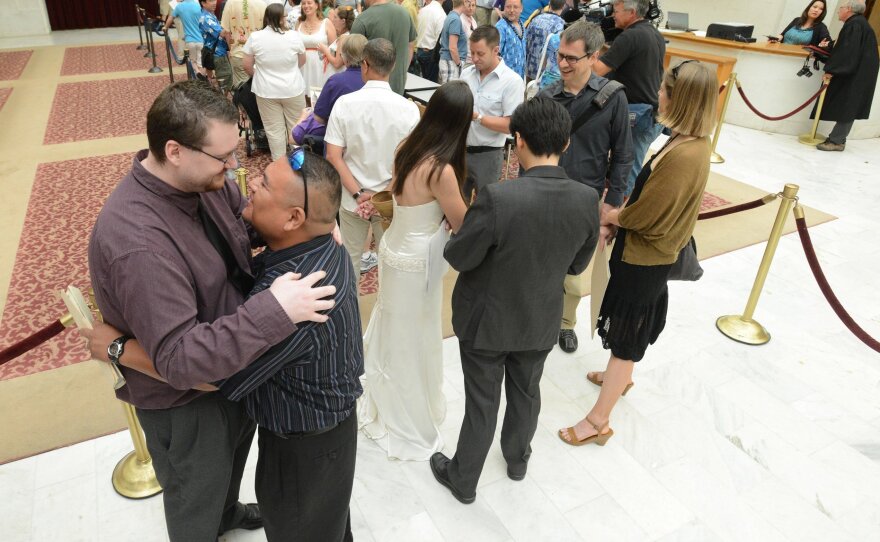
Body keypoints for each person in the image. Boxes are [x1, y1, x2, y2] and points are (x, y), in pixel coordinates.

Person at [86, 80, 336, 542]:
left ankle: (226, 512)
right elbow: (180, 362)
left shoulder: (202, 180)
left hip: (233, 369)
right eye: (224, 158)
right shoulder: (137, 241)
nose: (235, 166)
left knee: (229, 468)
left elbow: (244, 226)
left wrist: (316, 227)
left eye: (234, 151)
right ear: (175, 151)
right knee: (194, 496)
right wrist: (273, 312)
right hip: (188, 403)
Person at [429, 97, 599, 504]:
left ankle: (464, 477)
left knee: (482, 402)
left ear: (517, 141)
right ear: (567, 143)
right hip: (540, 317)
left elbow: (459, 255)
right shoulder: (586, 198)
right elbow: (577, 265)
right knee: (527, 392)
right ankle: (517, 459)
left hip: (486, 321)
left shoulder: (498, 197)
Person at [558, 60, 716, 446]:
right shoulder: (686, 141)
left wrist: (615, 215)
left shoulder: (685, 154)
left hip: (647, 259)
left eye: (664, 90)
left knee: (628, 335)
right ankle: (621, 378)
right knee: (631, 327)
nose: (657, 95)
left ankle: (599, 421)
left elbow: (651, 212)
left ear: (681, 100)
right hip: (647, 253)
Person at [219, 149, 363, 542]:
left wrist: (120, 351)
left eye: (263, 184)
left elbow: (224, 376)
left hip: (304, 451)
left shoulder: (294, 301)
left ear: (293, 218)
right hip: (327, 435)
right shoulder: (323, 245)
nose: (251, 186)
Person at [359, 81, 472, 460]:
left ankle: (384, 398)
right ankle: (406, 411)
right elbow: (461, 223)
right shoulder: (441, 168)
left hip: (393, 249)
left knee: (393, 326)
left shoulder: (407, 148)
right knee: (414, 335)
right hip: (419, 261)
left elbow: (394, 193)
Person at [540, 20, 631, 354]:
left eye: (572, 58)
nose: (562, 64)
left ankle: (565, 322)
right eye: (560, 55)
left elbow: (623, 154)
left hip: (585, 197)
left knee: (575, 271)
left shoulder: (613, 98)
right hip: (544, 194)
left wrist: (613, 202)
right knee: (539, 258)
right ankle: (538, 313)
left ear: (594, 57)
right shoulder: (547, 95)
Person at [325, 38, 421, 274]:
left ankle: (352, 311)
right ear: (393, 66)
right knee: (390, 266)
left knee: (350, 263)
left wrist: (359, 194)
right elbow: (411, 162)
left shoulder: (344, 104)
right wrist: (383, 193)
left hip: (351, 196)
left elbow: (333, 156)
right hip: (390, 200)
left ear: (365, 65)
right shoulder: (408, 108)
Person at [594, 0, 665, 196]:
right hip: (651, 113)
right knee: (624, 167)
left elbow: (597, 70)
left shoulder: (630, 37)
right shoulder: (654, 33)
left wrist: (588, 49)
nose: (612, 15)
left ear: (631, 12)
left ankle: (620, 220)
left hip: (638, 116)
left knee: (627, 173)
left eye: (616, 11)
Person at [460, 25, 524, 199]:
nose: (474, 58)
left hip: (488, 156)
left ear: (496, 50)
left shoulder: (512, 82)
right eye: (472, 52)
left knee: (486, 209)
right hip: (460, 151)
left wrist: (477, 117)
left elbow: (511, 125)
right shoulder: (466, 74)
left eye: (480, 54)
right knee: (455, 205)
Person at [243, 3, 307, 159]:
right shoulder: (293, 36)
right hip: (292, 88)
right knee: (296, 127)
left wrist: (259, 75)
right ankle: (299, 164)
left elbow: (246, 65)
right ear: (280, 19)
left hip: (266, 90)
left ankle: (279, 166)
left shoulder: (256, 37)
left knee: (274, 131)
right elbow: (302, 60)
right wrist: (289, 71)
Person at [814, 0, 879, 152]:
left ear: (848, 9)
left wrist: (832, 69)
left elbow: (847, 51)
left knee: (849, 106)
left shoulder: (854, 24)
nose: (838, 11)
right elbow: (844, 46)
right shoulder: (858, 23)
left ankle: (836, 141)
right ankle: (838, 139)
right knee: (849, 105)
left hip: (857, 73)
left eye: (841, 8)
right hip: (859, 71)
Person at [292, 34, 367, 145]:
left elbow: (319, 118)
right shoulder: (375, 81)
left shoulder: (336, 81)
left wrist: (304, 117)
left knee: (294, 135)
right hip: (367, 138)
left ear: (344, 57)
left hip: (339, 142)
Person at [351, 0, 418, 95]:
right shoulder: (404, 13)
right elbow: (410, 45)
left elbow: (352, 57)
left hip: (369, 89)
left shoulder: (362, 19)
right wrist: (401, 70)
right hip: (398, 85)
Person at [222, 0, 268, 87]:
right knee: (260, 88)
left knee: (241, 91)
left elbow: (227, 31)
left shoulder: (231, 3)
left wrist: (231, 49)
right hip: (259, 54)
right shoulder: (263, 4)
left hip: (239, 53)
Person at [296, 0, 337, 94]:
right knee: (304, 97)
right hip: (303, 66)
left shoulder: (326, 23)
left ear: (317, 5)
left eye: (309, 3)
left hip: (321, 66)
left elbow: (334, 48)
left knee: (321, 96)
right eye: (303, 3)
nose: (306, 6)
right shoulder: (299, 23)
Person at [199, 0, 234, 92]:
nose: (214, 3)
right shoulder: (206, 18)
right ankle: (222, 104)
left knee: (222, 80)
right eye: (210, 1)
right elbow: (223, 33)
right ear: (203, 3)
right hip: (217, 53)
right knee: (225, 80)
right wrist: (231, 49)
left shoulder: (210, 14)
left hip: (217, 51)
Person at [524, 0, 563, 81]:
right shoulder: (560, 24)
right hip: (543, 73)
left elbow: (526, 38)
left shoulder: (536, 18)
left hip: (528, 67)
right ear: (563, 7)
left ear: (549, 5)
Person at [166, 0, 206, 75]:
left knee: (192, 61)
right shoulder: (198, 5)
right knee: (201, 63)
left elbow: (171, 18)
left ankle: (197, 72)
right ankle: (202, 79)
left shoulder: (179, 6)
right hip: (201, 40)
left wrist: (165, 27)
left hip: (189, 40)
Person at [316, 5, 356, 79]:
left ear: (343, 21)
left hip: (336, 75)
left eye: (335, 17)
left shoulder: (343, 38)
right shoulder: (344, 36)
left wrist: (325, 50)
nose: (332, 19)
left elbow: (337, 63)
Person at [416, 0, 447, 82]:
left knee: (422, 82)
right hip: (431, 53)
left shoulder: (423, 10)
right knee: (430, 86)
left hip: (419, 51)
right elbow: (441, 39)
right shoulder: (441, 14)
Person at [439, 0, 469, 82]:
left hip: (449, 61)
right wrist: (459, 63)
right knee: (450, 92)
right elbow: (452, 47)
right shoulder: (455, 19)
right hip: (451, 61)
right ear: (464, 2)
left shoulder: (451, 16)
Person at [495, 0, 525, 77]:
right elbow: (495, 55)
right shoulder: (501, 27)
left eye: (515, 7)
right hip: (505, 78)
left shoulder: (521, 25)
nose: (511, 10)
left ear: (521, 8)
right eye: (508, 7)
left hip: (519, 76)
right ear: (504, 8)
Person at [460, 0, 479, 68]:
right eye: (469, 5)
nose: (471, 8)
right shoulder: (460, 20)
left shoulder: (473, 20)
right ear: (463, 5)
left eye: (473, 5)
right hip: (463, 61)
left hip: (472, 60)